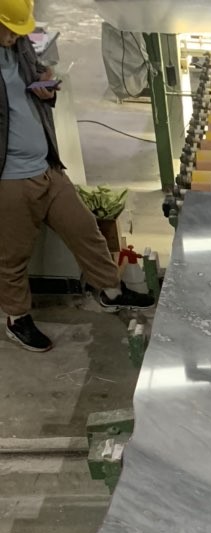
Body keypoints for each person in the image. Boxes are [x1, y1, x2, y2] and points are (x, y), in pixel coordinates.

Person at [0, 0, 153, 353]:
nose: (13, 37)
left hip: (47, 166)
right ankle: (17, 318)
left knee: (85, 230)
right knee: (12, 256)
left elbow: (39, 71)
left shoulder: (21, 44)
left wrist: (45, 84)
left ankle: (110, 290)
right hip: (12, 179)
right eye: (8, 30)